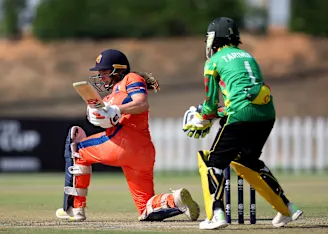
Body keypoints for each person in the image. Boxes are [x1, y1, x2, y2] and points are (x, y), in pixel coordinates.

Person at [182, 17, 303, 230]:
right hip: (266, 113)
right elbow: (244, 96)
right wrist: (218, 113)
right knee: (248, 160)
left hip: (240, 116)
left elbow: (211, 104)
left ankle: (217, 214)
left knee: (213, 163)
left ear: (214, 38)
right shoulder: (248, 56)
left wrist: (204, 116)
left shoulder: (214, 61)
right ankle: (287, 208)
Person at [56, 49, 200, 222]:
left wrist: (117, 109)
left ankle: (74, 209)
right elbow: (109, 117)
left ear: (119, 69)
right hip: (143, 153)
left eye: (105, 72)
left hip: (122, 144)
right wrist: (97, 115)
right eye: (100, 73)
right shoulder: (111, 95)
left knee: (76, 147)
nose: (101, 77)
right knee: (146, 209)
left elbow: (141, 103)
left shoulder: (131, 79)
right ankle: (175, 199)